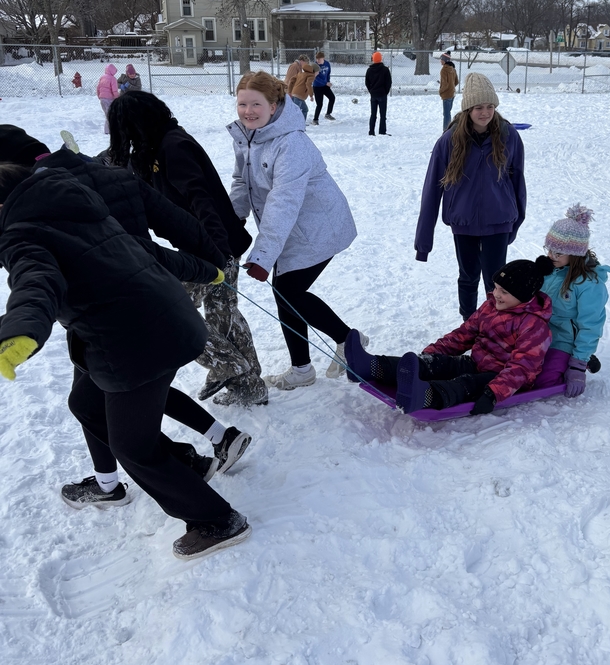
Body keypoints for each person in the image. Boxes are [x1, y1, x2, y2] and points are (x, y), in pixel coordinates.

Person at [0, 163, 250, 559]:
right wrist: (207, 271)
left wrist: (20, 330)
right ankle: (185, 462)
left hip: (135, 339)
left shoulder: (20, 235)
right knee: (85, 403)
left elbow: (35, 284)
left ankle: (217, 521)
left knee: (132, 447)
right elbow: (149, 252)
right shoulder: (76, 206)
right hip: (162, 318)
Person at [107, 92, 268, 406]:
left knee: (169, 310)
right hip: (208, 244)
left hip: (212, 247)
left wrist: (217, 254)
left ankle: (226, 364)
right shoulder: (155, 145)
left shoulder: (174, 147)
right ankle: (250, 386)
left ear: (136, 125)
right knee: (225, 313)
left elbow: (201, 200)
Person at [228, 71, 358, 389]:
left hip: (318, 228)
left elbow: (283, 202)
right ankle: (305, 367)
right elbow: (240, 183)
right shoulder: (248, 136)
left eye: (256, 104)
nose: (248, 111)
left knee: (288, 291)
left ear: (274, 106)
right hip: (290, 231)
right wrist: (230, 225)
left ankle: (347, 342)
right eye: (242, 103)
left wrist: (262, 254)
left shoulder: (291, 144)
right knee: (286, 293)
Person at [345, 256, 553, 414]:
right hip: (476, 363)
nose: (496, 294)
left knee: (465, 385)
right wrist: (430, 357)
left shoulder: (535, 326)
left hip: (502, 379)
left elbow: (522, 368)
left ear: (523, 297)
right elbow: (464, 334)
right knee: (439, 365)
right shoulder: (491, 307)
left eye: (504, 292)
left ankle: (424, 396)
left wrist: (493, 393)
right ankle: (369, 366)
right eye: (496, 287)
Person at [414, 72, 526, 320]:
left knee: (496, 281)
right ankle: (469, 324)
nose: (485, 112)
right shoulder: (449, 141)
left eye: (490, 106)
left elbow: (518, 182)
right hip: (463, 222)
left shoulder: (509, 136)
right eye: (478, 107)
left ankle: (494, 326)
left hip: (499, 221)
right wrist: (423, 244)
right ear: (467, 109)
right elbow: (431, 190)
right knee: (468, 276)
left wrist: (515, 222)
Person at [534, 205, 610, 398]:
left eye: (558, 252)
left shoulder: (589, 285)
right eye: (549, 249)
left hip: (563, 341)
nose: (551, 256)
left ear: (575, 253)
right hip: (536, 334)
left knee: (542, 383)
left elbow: (590, 326)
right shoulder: (549, 269)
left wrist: (577, 366)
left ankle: (580, 357)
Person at [365, 51, 392, 135]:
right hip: (382, 94)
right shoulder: (385, 70)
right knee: (383, 115)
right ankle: (382, 131)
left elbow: (367, 82)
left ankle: (371, 131)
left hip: (373, 95)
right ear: (381, 59)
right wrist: (385, 92)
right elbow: (388, 82)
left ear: (373, 59)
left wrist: (371, 91)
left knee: (373, 114)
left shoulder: (369, 70)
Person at [287, 56, 316, 122]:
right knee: (296, 111)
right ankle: (297, 125)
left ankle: (300, 124)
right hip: (299, 96)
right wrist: (311, 95)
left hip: (294, 94)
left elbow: (291, 80)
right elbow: (308, 84)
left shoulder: (300, 73)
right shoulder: (311, 75)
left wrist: (290, 91)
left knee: (303, 109)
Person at [311, 51, 335, 124]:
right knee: (319, 104)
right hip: (317, 87)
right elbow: (315, 78)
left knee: (332, 98)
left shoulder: (327, 64)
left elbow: (328, 74)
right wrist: (325, 83)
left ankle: (328, 114)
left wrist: (328, 81)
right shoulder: (314, 66)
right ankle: (315, 119)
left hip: (325, 86)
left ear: (323, 58)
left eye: (319, 59)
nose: (318, 61)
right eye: (317, 59)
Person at [96, 63, 120, 134]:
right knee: (110, 115)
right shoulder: (113, 79)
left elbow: (98, 88)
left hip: (102, 99)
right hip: (109, 99)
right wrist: (117, 98)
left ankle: (109, 130)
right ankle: (109, 130)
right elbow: (114, 90)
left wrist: (99, 96)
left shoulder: (102, 77)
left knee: (108, 114)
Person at [439, 53, 459, 131]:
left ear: (444, 60)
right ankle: (449, 128)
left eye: (441, 59)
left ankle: (446, 130)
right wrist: (452, 87)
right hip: (452, 93)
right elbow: (456, 81)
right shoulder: (453, 69)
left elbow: (445, 84)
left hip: (446, 94)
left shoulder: (444, 70)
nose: (440, 61)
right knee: (448, 113)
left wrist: (441, 91)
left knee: (446, 114)